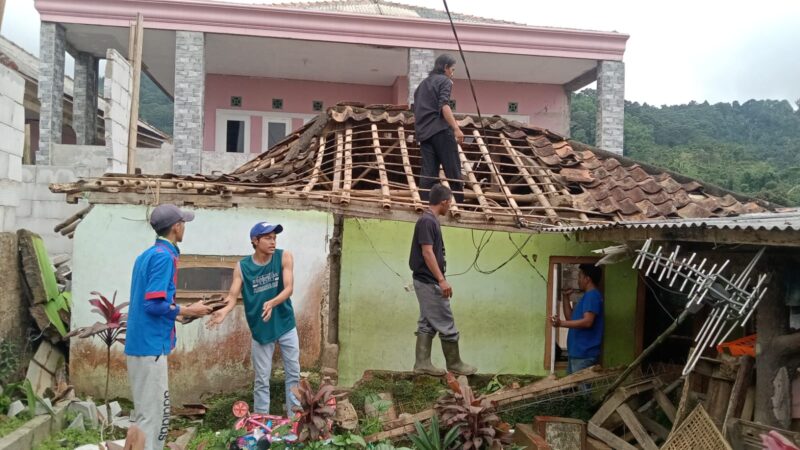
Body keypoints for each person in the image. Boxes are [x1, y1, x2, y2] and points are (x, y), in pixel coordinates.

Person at [125, 204, 212, 450]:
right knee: (156, 415)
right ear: (176, 227)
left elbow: (153, 302)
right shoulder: (164, 257)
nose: (184, 227)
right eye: (183, 223)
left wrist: (180, 313)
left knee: (147, 413)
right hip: (149, 346)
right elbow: (153, 305)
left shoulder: (148, 255)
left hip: (143, 343)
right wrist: (188, 310)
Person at [208, 221, 300, 417]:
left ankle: (295, 419)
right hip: (260, 329)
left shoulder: (284, 256)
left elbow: (289, 288)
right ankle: (261, 421)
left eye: (274, 238)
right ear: (255, 240)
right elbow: (232, 296)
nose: (273, 242)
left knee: (293, 373)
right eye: (268, 238)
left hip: (285, 324)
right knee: (261, 379)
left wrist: (272, 302)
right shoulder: (242, 267)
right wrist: (224, 311)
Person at [409, 183, 476, 376]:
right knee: (446, 321)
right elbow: (427, 252)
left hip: (427, 280)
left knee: (427, 322)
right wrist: (441, 280)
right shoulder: (427, 221)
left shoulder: (429, 220)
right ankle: (454, 363)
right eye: (450, 203)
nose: (450, 207)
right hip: (429, 281)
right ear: (444, 201)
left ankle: (422, 363)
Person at [413, 53, 464, 204]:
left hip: (424, 134)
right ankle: (460, 204)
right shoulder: (445, 81)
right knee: (453, 170)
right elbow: (444, 106)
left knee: (429, 174)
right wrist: (456, 128)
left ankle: (424, 204)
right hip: (440, 131)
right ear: (445, 67)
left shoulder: (421, 86)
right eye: (452, 70)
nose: (452, 73)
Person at [549, 264, 605, 374]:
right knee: (575, 390)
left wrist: (561, 323)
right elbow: (571, 318)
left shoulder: (592, 296)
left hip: (584, 354)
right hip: (577, 353)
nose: (578, 280)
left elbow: (588, 322)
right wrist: (566, 298)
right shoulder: (587, 296)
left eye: (580, 277)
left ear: (587, 279)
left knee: (582, 391)